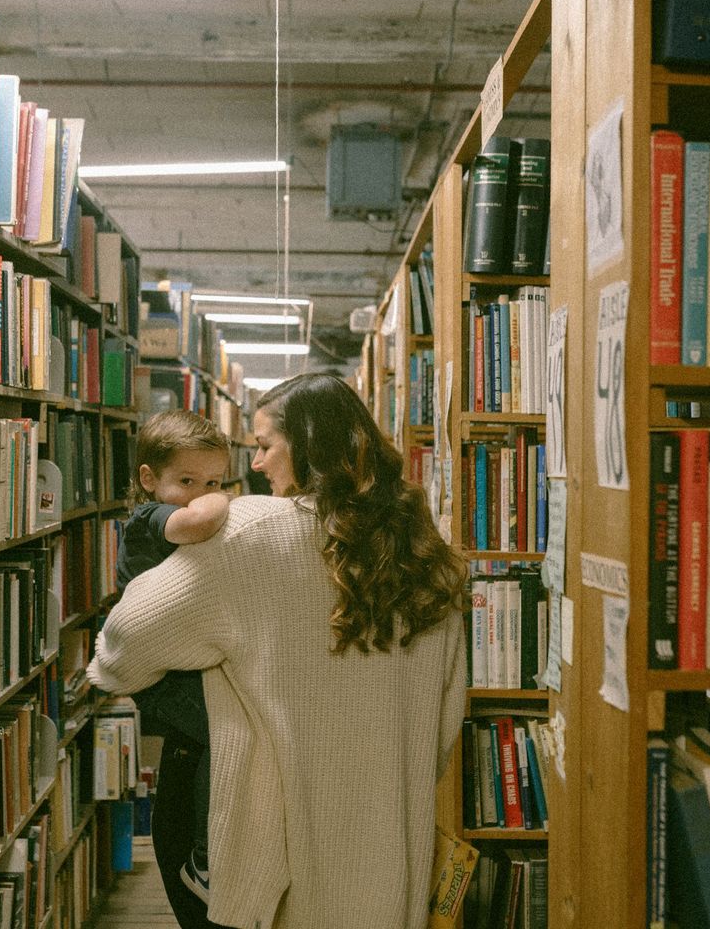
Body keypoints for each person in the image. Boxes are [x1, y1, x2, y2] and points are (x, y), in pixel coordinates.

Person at [90, 373, 467, 929]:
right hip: (384, 843)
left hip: (253, 840)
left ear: (309, 445)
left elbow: (125, 646)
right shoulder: (426, 550)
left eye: (266, 446)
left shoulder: (247, 532)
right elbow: (443, 722)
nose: (257, 464)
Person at [115, 409, 233, 903]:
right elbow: (198, 521)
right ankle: (206, 859)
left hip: (180, 666)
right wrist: (228, 501)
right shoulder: (151, 519)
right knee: (229, 734)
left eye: (213, 480)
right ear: (149, 480)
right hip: (161, 677)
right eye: (186, 480)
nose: (201, 492)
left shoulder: (173, 510)